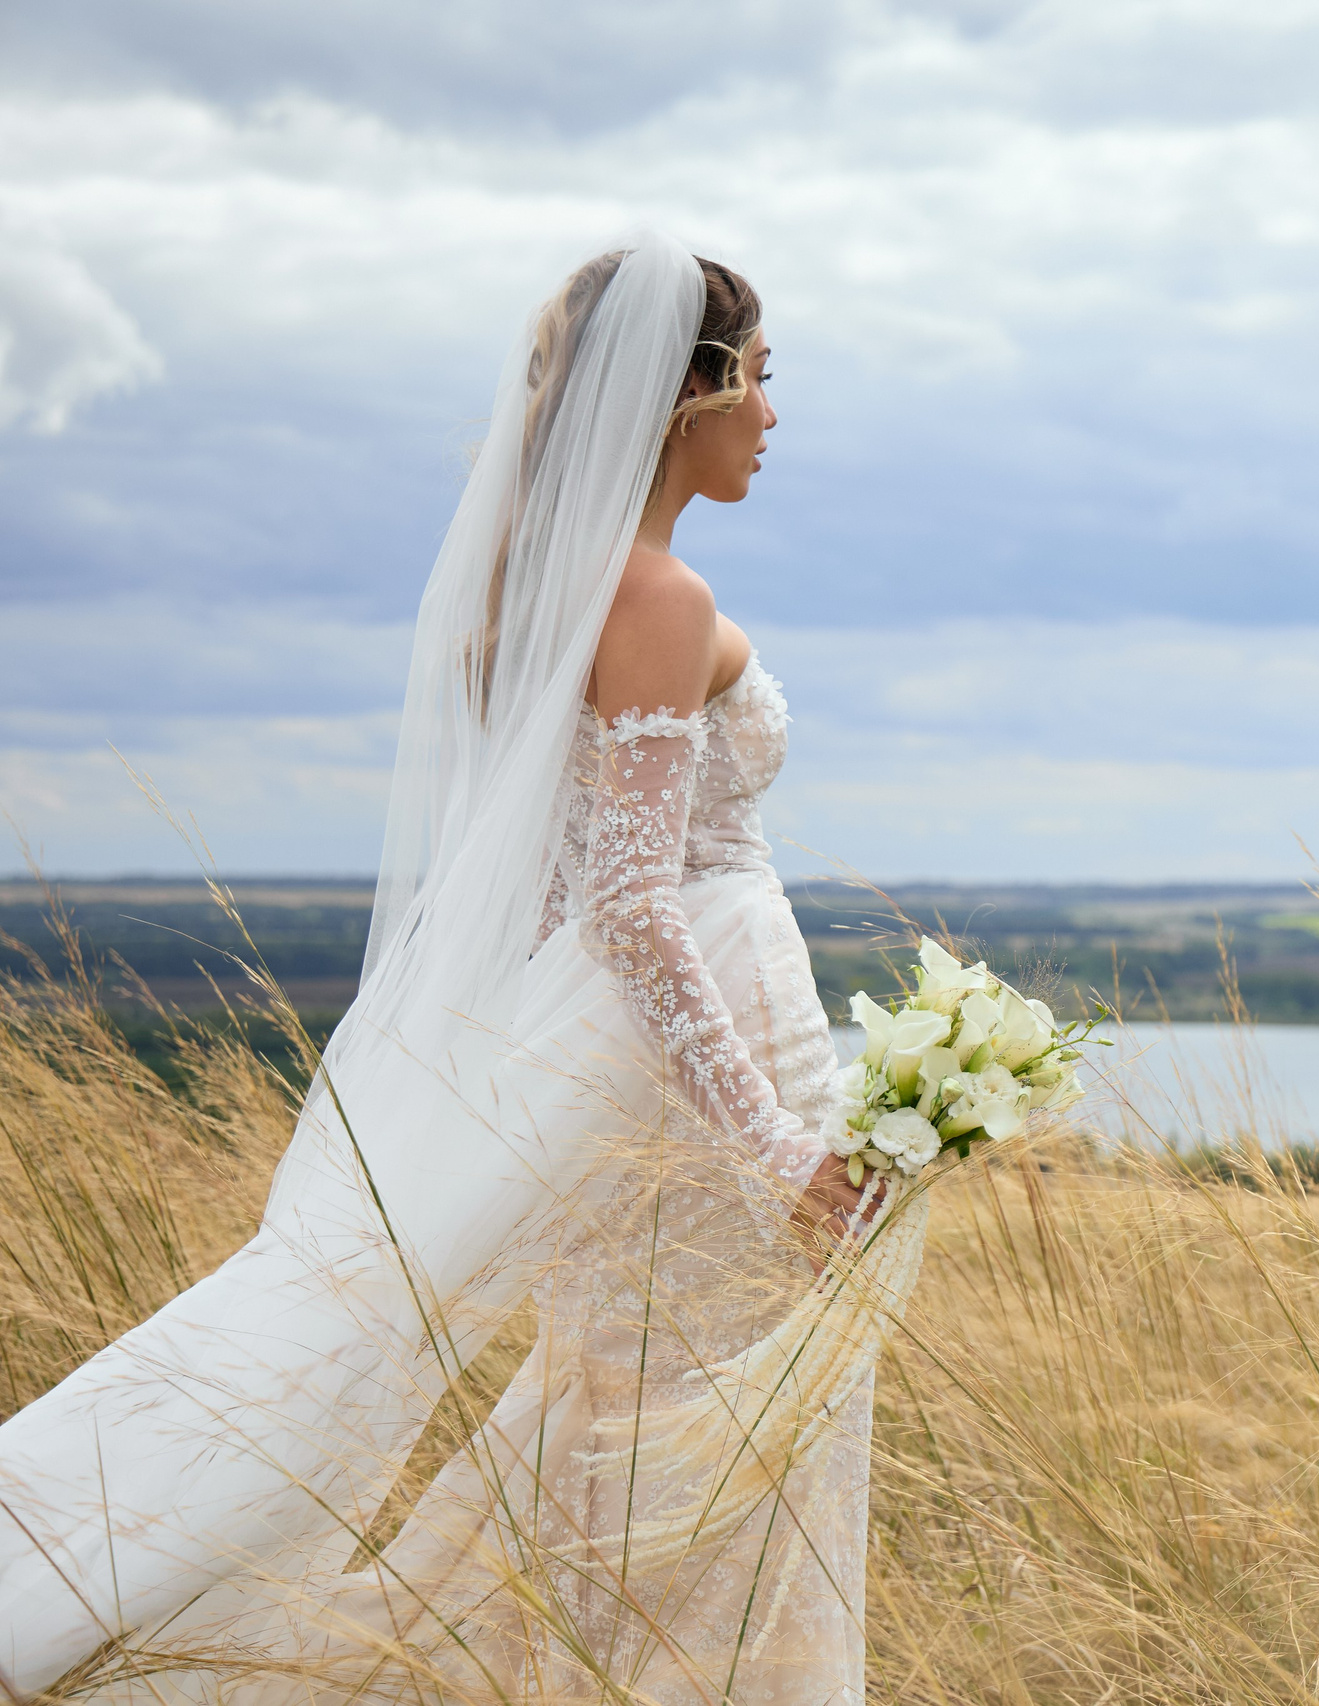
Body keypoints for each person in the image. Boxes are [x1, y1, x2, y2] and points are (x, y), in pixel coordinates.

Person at [0, 236, 914, 1700]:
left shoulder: (548, 594)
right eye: (759, 376)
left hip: (666, 1074)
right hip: (711, 1098)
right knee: (703, 1445)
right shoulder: (657, 600)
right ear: (684, 391)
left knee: (630, 1432)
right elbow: (629, 904)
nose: (772, 412)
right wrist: (778, 1149)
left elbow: (557, 888)